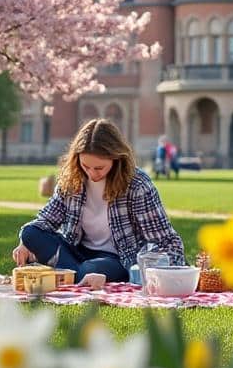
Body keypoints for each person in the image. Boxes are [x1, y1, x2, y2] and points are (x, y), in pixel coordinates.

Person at [13, 119, 185, 283]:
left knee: (89, 269)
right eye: (86, 166)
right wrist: (25, 243)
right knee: (30, 233)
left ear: (116, 158)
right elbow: (46, 220)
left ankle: (69, 273)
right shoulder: (72, 178)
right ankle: (73, 274)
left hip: (118, 258)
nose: (91, 174)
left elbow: (166, 241)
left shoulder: (137, 185)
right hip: (76, 250)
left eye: (99, 168)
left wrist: (170, 270)